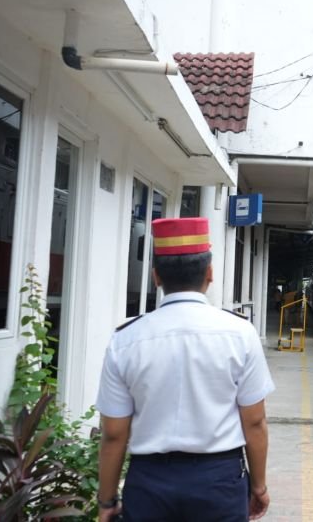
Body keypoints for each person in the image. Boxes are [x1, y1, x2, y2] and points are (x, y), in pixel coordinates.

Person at [95, 217, 274, 522]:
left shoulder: (124, 340)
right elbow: (254, 423)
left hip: (149, 483)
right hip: (219, 482)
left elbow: (113, 434)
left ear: (155, 277)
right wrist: (258, 486)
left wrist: (106, 501)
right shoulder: (240, 334)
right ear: (210, 273)